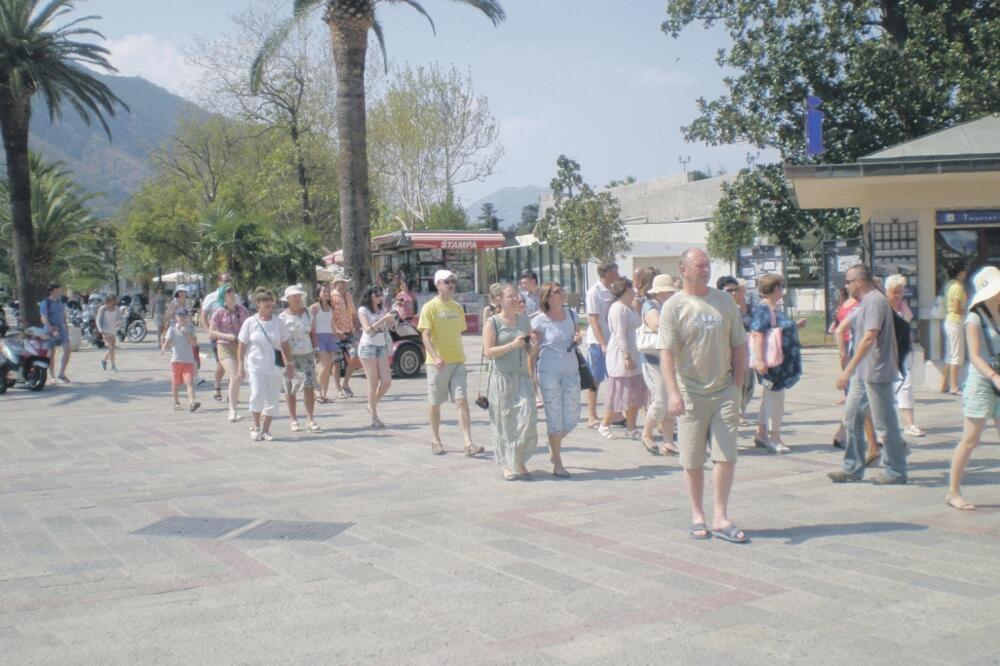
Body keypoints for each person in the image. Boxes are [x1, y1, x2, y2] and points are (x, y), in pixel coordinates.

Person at [660, 248, 749, 544]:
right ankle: (698, 514)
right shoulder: (674, 306)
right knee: (693, 458)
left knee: (726, 456)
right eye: (699, 265)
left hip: (724, 390)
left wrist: (737, 388)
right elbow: (667, 353)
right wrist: (673, 393)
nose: (706, 269)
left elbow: (739, 346)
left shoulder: (724, 301)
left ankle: (720, 516)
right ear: (683, 269)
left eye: (708, 264)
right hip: (690, 392)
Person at [830, 264, 908, 484]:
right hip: (864, 372)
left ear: (858, 282)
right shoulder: (866, 302)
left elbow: (868, 338)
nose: (846, 286)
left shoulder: (874, 301)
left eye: (848, 281)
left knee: (885, 423)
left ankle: (896, 471)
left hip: (877, 371)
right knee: (851, 416)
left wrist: (848, 368)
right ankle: (852, 468)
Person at [947, 266, 1000, 511]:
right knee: (970, 439)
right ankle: (953, 492)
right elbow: (975, 356)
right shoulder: (974, 317)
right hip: (981, 383)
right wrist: (993, 376)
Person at [418, 269, 482, 456]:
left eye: (453, 281)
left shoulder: (457, 307)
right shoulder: (429, 307)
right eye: (447, 282)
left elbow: (458, 332)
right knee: (435, 402)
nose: (451, 285)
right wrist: (436, 356)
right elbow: (425, 336)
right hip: (437, 364)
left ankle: (468, 443)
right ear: (438, 284)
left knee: (461, 400)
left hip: (458, 361)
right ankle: (435, 440)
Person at [483, 284, 538, 480]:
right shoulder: (493, 322)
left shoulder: (524, 321)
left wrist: (533, 344)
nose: (515, 299)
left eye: (517, 296)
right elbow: (488, 351)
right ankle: (508, 464)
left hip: (522, 377)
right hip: (501, 378)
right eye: (510, 297)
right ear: (499, 300)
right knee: (504, 422)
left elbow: (531, 352)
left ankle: (519, 459)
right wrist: (511, 345)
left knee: (528, 418)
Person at [750, 274, 806, 454]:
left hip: (778, 363)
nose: (783, 291)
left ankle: (761, 433)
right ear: (776, 289)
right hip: (772, 364)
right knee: (775, 398)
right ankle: (774, 436)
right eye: (781, 287)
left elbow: (776, 331)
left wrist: (794, 326)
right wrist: (760, 360)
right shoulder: (764, 309)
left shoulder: (772, 308)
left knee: (770, 397)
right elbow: (758, 333)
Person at [530, 282, 580, 478]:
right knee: (554, 416)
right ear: (548, 298)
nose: (562, 293)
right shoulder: (538, 321)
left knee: (573, 417)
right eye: (557, 291)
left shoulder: (572, 314)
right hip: (548, 372)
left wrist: (579, 338)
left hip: (572, 370)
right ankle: (557, 461)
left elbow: (576, 335)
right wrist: (531, 375)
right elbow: (532, 352)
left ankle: (553, 442)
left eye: (561, 289)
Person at [238, 288, 294, 442]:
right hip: (255, 365)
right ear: (258, 304)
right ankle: (256, 424)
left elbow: (285, 343)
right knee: (257, 394)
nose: (269, 306)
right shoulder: (250, 322)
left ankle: (266, 429)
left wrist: (289, 363)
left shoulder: (278, 322)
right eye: (266, 303)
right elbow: (242, 345)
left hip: (275, 365)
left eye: (271, 303)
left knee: (272, 398)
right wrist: (240, 367)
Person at [599, 277, 648, 439]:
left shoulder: (629, 307)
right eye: (631, 289)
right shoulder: (618, 308)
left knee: (634, 393)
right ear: (624, 291)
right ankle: (604, 424)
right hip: (621, 355)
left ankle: (631, 427)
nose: (634, 291)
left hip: (635, 352)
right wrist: (626, 356)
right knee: (619, 393)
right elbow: (620, 334)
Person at [638, 273, 679, 455]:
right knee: (661, 400)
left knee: (671, 401)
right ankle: (647, 434)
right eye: (669, 291)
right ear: (661, 292)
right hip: (654, 359)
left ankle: (668, 442)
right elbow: (656, 326)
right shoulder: (651, 306)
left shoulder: (670, 306)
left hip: (670, 359)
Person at [885, 274, 924, 437]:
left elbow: (907, 324)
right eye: (895, 292)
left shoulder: (903, 307)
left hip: (904, 352)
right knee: (885, 391)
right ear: (887, 291)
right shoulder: (883, 308)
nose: (898, 296)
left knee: (906, 386)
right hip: (887, 354)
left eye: (901, 292)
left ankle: (909, 423)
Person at [279, 284, 322, 433]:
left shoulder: (308, 313)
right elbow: (281, 340)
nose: (297, 299)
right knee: (290, 387)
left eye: (299, 296)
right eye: (294, 297)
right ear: (288, 299)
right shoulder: (282, 317)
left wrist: (316, 349)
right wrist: (285, 359)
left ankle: (310, 419)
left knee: (309, 386)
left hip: (307, 353)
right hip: (291, 356)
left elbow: (313, 333)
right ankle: (293, 419)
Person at [585, 262, 620, 428]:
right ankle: (592, 415)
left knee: (615, 377)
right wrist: (602, 343)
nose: (618, 273)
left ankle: (615, 413)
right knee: (595, 379)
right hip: (597, 342)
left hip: (612, 340)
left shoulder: (614, 290)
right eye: (615, 271)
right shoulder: (595, 292)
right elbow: (593, 319)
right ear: (606, 273)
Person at [357, 283, 397, 428]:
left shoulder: (383, 309)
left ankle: (371, 404)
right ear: (370, 296)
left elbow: (389, 326)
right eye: (376, 295)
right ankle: (374, 417)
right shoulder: (363, 310)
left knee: (386, 381)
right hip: (368, 347)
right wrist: (383, 319)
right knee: (373, 383)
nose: (380, 298)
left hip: (381, 346)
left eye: (381, 295)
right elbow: (368, 330)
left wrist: (392, 320)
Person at [209, 285, 250, 422]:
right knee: (233, 375)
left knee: (238, 377)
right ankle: (232, 411)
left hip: (239, 347)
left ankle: (234, 408)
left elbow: (249, 326)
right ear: (223, 297)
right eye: (228, 293)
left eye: (233, 292)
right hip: (224, 346)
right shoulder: (219, 312)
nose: (232, 295)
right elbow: (211, 332)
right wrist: (226, 336)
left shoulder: (243, 310)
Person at [718, 276, 754, 422]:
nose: (733, 293)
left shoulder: (745, 307)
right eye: (729, 291)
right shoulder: (718, 309)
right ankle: (732, 413)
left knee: (747, 385)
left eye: (736, 290)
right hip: (725, 356)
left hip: (746, 352)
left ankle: (740, 410)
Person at [160, 306, 201, 412]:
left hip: (188, 360)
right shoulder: (172, 328)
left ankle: (192, 402)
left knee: (189, 382)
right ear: (176, 316)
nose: (182, 317)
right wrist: (164, 348)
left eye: (184, 315)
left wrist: (186, 333)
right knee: (175, 383)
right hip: (176, 360)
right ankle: (176, 402)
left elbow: (194, 343)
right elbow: (168, 340)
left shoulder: (191, 328)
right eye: (179, 315)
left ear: (186, 316)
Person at [200, 273, 232, 402]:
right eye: (225, 280)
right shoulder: (211, 297)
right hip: (217, 336)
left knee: (233, 365)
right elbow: (203, 316)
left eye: (229, 280)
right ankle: (217, 384)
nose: (227, 282)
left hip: (232, 336)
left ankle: (232, 392)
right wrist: (209, 331)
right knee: (221, 366)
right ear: (219, 282)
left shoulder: (235, 296)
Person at [941, 261, 968, 395]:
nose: (966, 273)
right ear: (960, 273)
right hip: (955, 321)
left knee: (949, 354)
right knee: (956, 355)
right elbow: (957, 308)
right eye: (964, 271)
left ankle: (944, 384)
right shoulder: (958, 287)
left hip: (948, 320)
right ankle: (954, 386)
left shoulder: (949, 284)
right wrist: (967, 311)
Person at [330, 272, 358, 398]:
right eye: (340, 282)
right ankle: (338, 388)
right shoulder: (331, 297)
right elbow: (329, 317)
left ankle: (345, 383)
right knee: (336, 361)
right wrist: (336, 331)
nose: (343, 284)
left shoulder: (348, 296)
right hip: (335, 333)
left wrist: (356, 327)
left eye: (344, 282)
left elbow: (353, 313)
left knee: (354, 356)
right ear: (335, 283)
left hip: (349, 331)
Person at [311, 283, 337, 404]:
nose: (326, 293)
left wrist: (338, 332)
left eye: (328, 291)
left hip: (330, 337)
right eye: (323, 291)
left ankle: (324, 394)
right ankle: (317, 392)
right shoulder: (315, 307)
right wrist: (313, 341)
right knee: (325, 365)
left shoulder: (331, 308)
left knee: (328, 368)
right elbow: (312, 326)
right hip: (319, 336)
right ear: (318, 294)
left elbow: (331, 323)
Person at [39, 284, 71, 383]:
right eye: (57, 291)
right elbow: (43, 318)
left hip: (61, 329)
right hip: (49, 330)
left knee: (67, 349)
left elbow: (63, 314)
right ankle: (51, 376)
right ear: (51, 291)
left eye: (59, 290)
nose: (59, 292)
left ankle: (61, 373)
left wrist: (66, 325)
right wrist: (51, 329)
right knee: (51, 353)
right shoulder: (45, 302)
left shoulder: (60, 301)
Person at [96, 295, 122, 372]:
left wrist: (119, 322)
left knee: (112, 348)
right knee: (110, 347)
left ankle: (104, 360)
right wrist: (100, 329)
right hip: (105, 330)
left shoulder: (116, 308)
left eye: (112, 301)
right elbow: (98, 319)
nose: (110, 302)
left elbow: (121, 318)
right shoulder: (102, 309)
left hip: (113, 330)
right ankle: (113, 366)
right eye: (108, 301)